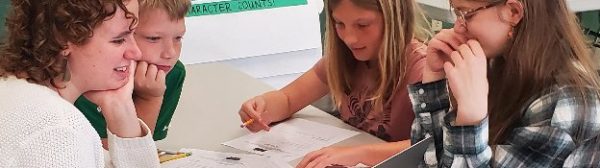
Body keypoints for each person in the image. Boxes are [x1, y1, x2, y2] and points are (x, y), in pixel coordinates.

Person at [238, 0, 431, 166]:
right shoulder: (344, 58)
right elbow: (288, 99)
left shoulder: (422, 69)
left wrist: (356, 154)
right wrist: (262, 108)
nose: (350, 38)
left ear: (394, 18)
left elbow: (433, 144)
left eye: (362, 25)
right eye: (339, 23)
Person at [409, 0, 600, 167]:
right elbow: (427, 161)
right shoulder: (499, 64)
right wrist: (434, 77)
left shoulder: (562, 103)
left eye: (466, 14)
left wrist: (470, 120)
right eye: (457, 13)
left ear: (514, 12)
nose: (458, 27)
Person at [0, 0, 160, 167]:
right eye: (119, 40)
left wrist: (119, 106)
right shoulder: (58, 129)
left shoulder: (13, 92)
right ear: (63, 39)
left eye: (133, 35)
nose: (136, 52)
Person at [75, 0, 189, 148]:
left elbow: (141, 152)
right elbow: (113, 156)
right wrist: (149, 99)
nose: (170, 53)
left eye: (178, 38)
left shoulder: (172, 73)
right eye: (153, 38)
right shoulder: (93, 76)